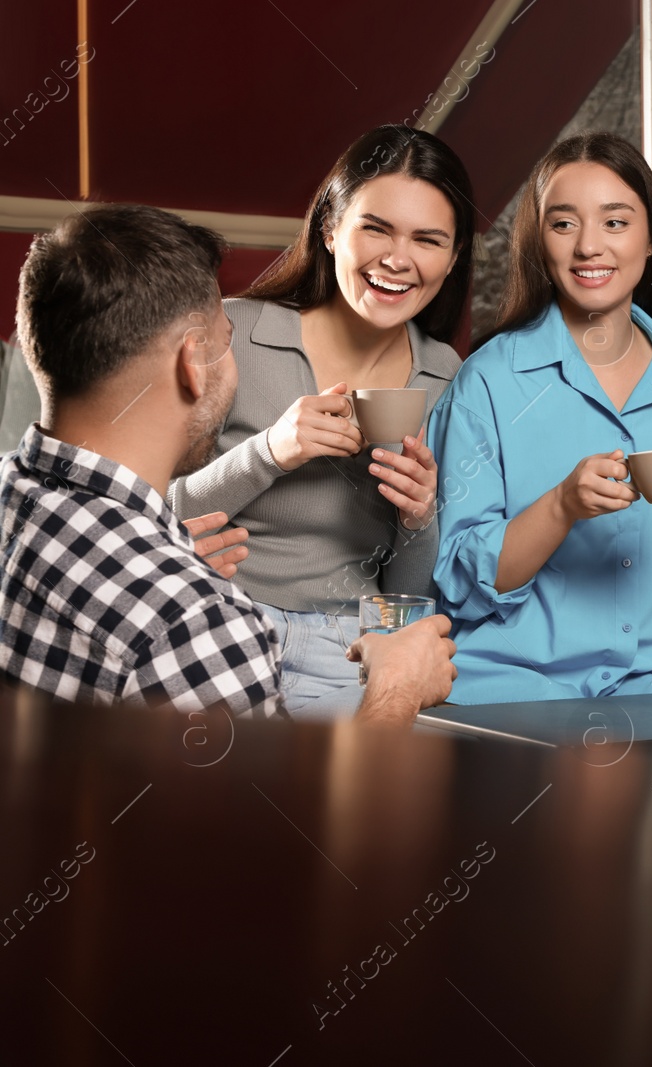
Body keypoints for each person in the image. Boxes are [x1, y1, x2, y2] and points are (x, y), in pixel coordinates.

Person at [1, 203, 455, 723]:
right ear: (193, 363)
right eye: (228, 341)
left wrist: (166, 552)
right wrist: (396, 689)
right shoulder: (199, 626)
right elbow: (286, 808)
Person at [429, 133, 652, 703]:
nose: (588, 248)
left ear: (651, 240)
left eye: (616, 222)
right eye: (563, 224)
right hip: (509, 691)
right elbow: (457, 582)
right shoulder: (486, 382)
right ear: (540, 241)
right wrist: (560, 507)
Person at [169, 125, 473, 719]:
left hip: (351, 645)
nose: (398, 259)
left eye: (428, 240)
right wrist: (269, 452)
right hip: (222, 619)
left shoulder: (446, 377)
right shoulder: (234, 333)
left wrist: (419, 516)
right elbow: (145, 521)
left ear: (453, 257)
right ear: (331, 229)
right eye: (376, 228)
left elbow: (407, 597)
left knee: (381, 797)